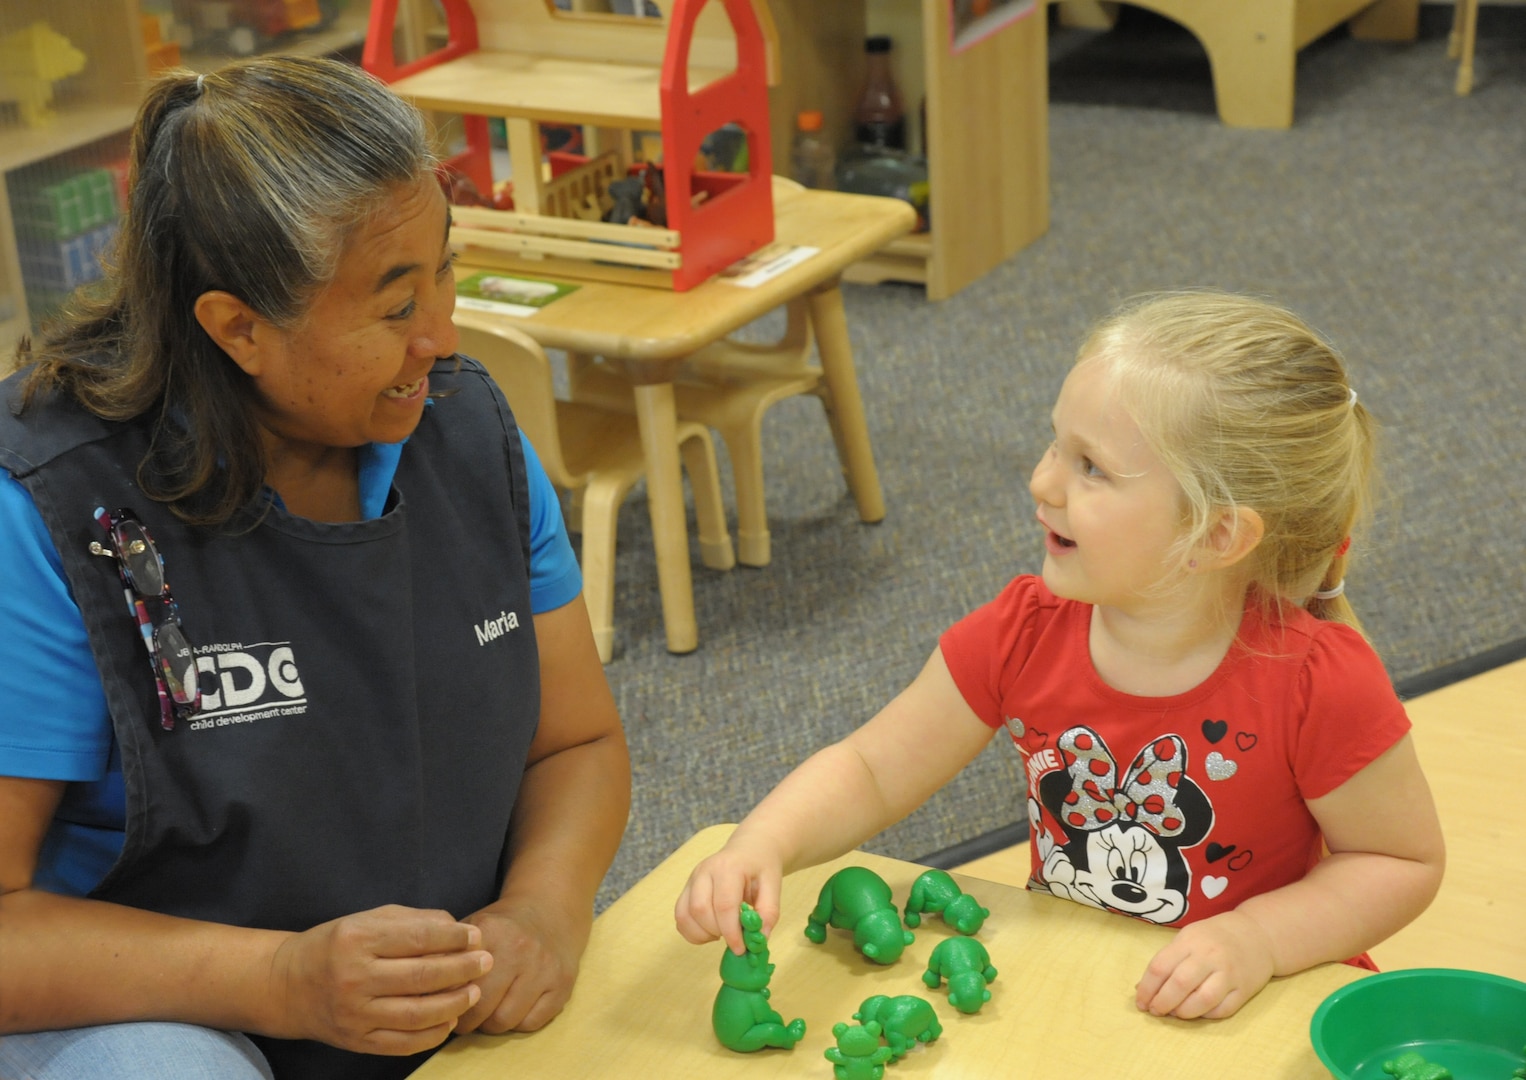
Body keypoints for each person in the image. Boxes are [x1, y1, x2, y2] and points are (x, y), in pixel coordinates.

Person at [0, 57, 630, 1080]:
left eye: (444, 273)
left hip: (414, 1015)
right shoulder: (48, 512)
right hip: (161, 1020)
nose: (443, 336)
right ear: (236, 327)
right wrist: (281, 982)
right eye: (392, 309)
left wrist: (543, 911)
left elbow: (578, 744)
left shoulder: (462, 431)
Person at [675, 290, 1445, 1021]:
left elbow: (1397, 861)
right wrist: (763, 842)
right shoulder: (1022, 632)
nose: (1041, 480)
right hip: (1084, 987)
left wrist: (1261, 940)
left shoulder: (1317, 680)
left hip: (1258, 1004)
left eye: (1091, 468)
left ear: (1214, 536)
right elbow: (873, 768)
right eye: (1056, 444)